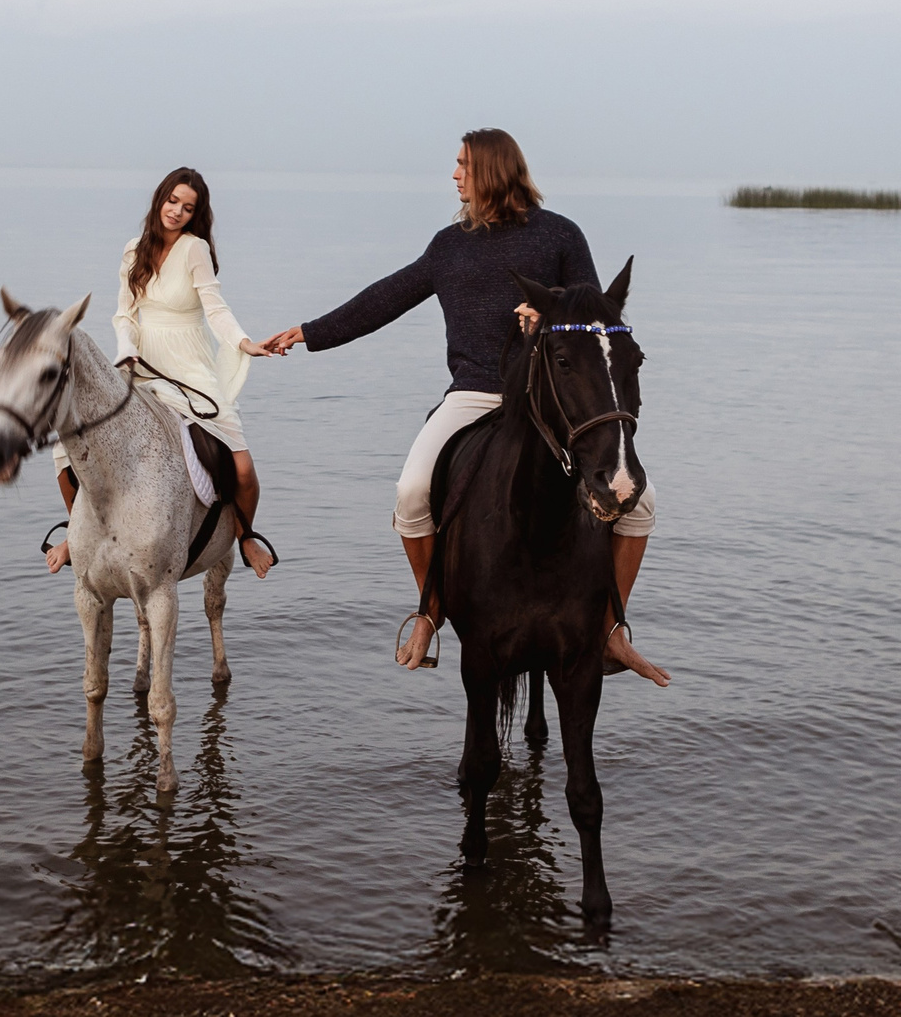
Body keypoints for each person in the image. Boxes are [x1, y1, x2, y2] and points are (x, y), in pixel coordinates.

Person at [262, 129, 667, 683]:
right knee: (409, 494)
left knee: (640, 505)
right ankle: (431, 611)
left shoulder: (560, 235)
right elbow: (385, 297)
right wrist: (309, 332)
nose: (454, 176)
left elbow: (591, 321)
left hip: (550, 405)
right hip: (474, 393)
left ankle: (609, 629)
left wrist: (545, 320)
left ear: (494, 171)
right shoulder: (449, 246)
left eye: (462, 166)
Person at [45, 167, 279, 577]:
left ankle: (245, 536)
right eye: (172, 201)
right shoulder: (133, 249)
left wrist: (244, 343)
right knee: (65, 450)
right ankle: (77, 532)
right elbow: (124, 315)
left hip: (190, 368)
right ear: (160, 199)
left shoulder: (195, 250)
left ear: (195, 214)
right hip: (139, 364)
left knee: (241, 465)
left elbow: (215, 309)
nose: (177, 212)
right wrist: (127, 353)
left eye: (187, 208)